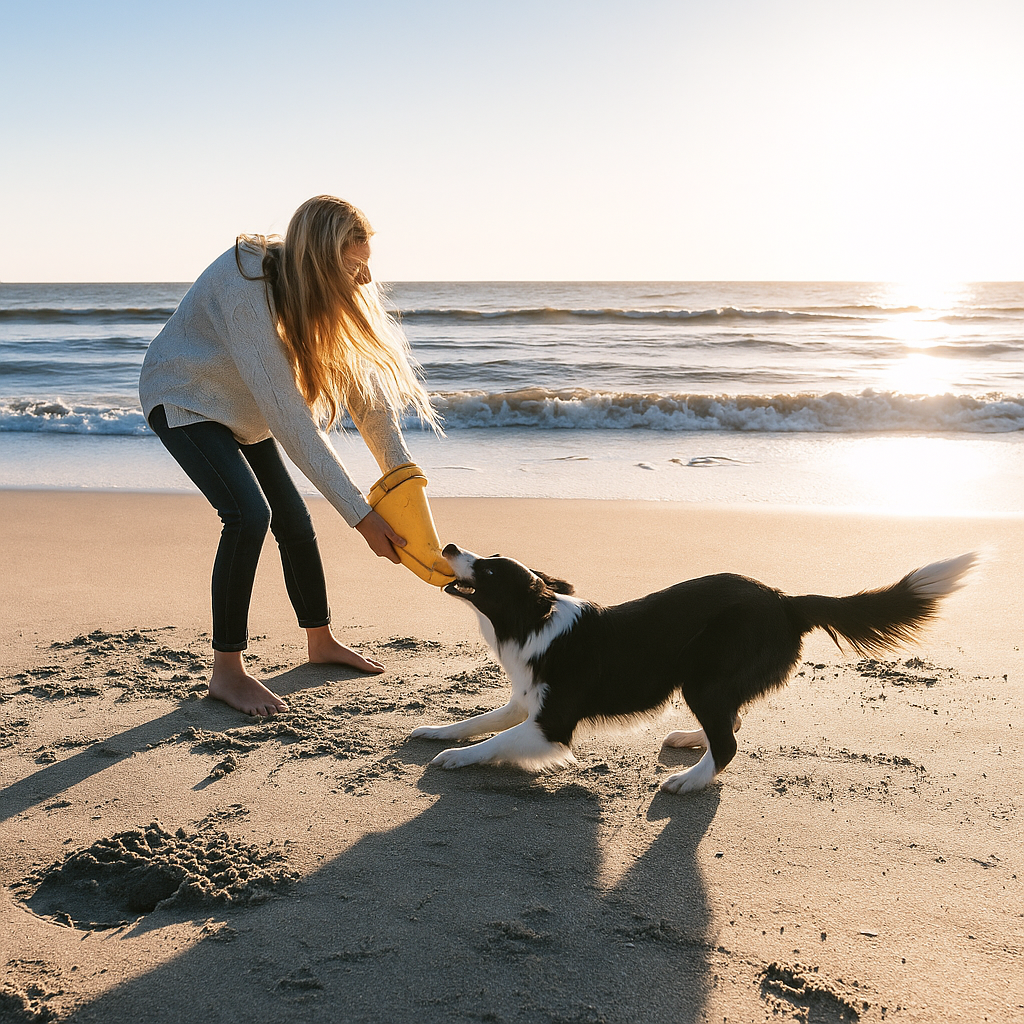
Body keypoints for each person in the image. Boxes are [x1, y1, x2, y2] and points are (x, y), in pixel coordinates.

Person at [139, 195, 438, 717]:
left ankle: (320, 641)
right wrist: (362, 517)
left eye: (367, 266)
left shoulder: (317, 289)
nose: (364, 281)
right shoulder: (246, 283)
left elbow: (365, 398)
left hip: (245, 409)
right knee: (248, 515)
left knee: (294, 518)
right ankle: (227, 673)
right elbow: (291, 420)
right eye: (355, 266)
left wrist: (400, 480)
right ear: (323, 261)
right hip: (183, 397)